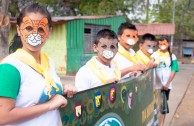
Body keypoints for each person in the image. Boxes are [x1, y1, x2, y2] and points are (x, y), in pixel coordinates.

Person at [0, 3, 77, 126]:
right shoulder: (10, 67)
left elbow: (38, 89)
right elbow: (2, 117)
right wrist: (50, 105)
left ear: (49, 32)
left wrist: (63, 89)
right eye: (29, 28)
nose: (34, 34)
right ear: (19, 30)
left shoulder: (48, 62)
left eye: (41, 29)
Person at [152, 36, 179, 126]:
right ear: (158, 45)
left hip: (167, 86)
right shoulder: (154, 55)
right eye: (160, 44)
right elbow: (151, 68)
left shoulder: (172, 56)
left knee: (163, 106)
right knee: (155, 106)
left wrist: (167, 84)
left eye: (164, 44)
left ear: (168, 44)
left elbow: (174, 70)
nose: (162, 45)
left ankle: (161, 124)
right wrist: (160, 83)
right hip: (156, 85)